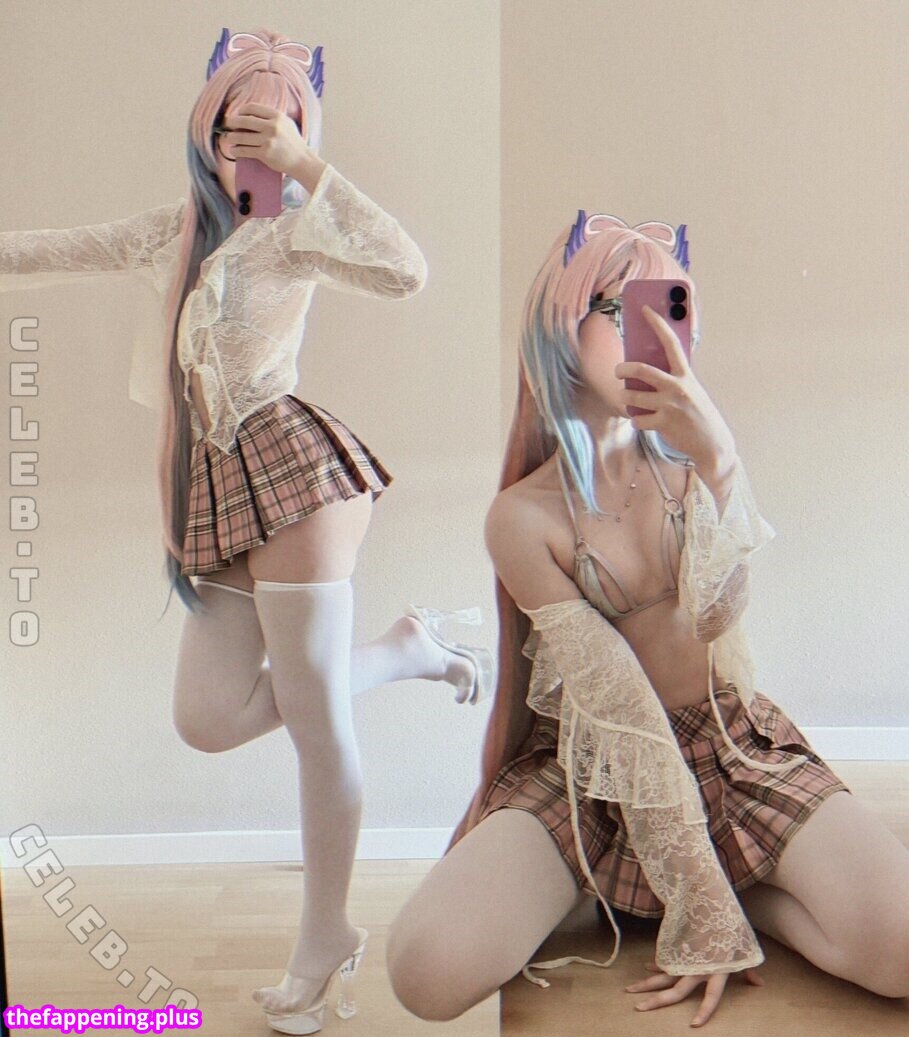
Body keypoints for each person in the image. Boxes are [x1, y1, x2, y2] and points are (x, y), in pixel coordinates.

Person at [0, 26, 494, 1035]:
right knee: (208, 714)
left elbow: (405, 269)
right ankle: (405, 650)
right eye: (240, 126)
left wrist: (310, 168)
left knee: (316, 726)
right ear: (207, 129)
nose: (256, 146)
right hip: (220, 490)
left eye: (280, 127)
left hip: (298, 475)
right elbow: (44, 251)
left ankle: (324, 933)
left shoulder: (300, 230)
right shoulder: (172, 233)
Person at [384, 212, 909, 1027]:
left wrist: (721, 462)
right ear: (560, 324)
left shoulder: (694, 460)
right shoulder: (521, 516)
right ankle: (656, 883)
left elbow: (717, 616)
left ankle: (705, 895)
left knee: (901, 950)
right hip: (590, 764)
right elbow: (619, 709)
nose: (653, 331)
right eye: (619, 308)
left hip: (729, 744)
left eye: (672, 305)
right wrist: (698, 904)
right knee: (425, 969)